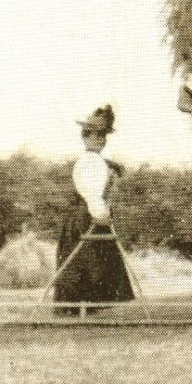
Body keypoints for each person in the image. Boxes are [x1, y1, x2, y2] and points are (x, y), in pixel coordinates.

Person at [54, 105, 136, 311]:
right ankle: (81, 307)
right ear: (86, 137)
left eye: (103, 135)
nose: (101, 139)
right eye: (96, 135)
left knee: (90, 259)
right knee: (87, 260)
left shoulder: (96, 160)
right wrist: (101, 214)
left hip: (86, 214)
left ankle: (86, 307)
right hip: (88, 215)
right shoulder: (92, 162)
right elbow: (92, 193)